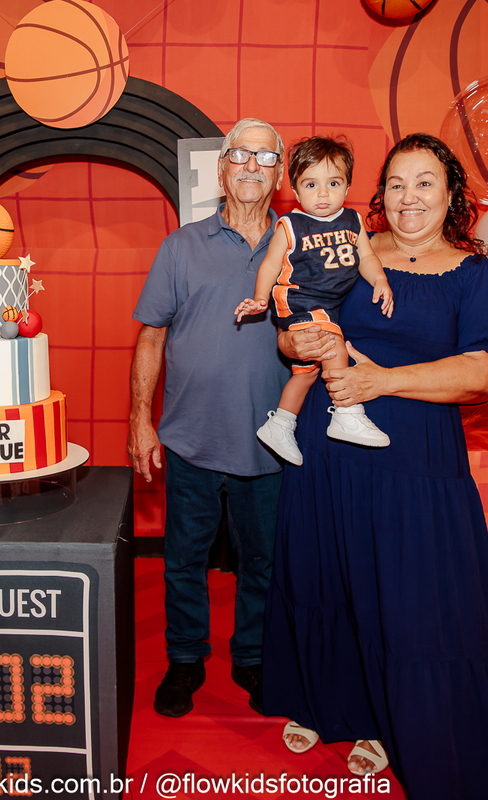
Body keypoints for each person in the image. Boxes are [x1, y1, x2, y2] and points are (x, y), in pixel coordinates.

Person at [261, 133, 488, 798]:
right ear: (380, 194)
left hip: (416, 460)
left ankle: (390, 720)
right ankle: (324, 699)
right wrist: (294, 341)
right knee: (324, 574)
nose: (409, 197)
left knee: (411, 599)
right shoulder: (348, 245)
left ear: (451, 194)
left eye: (424, 182)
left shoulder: (475, 274)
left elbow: (483, 374)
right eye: (396, 183)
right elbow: (294, 323)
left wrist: (383, 381)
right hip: (328, 445)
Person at [129, 118, 290, 718]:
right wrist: (140, 420)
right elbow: (151, 337)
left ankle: (252, 657)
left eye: (265, 157)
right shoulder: (181, 246)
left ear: (279, 174)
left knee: (264, 564)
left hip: (272, 443)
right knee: (183, 561)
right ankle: (185, 658)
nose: (251, 166)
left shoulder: (299, 247)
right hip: (190, 439)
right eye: (239, 155)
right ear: (221, 169)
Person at [235, 135, 393, 466]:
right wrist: (260, 298)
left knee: (306, 373)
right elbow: (270, 265)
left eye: (333, 183)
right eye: (311, 184)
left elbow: (366, 257)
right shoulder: (291, 225)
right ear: (295, 190)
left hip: (328, 307)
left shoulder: (352, 221)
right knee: (332, 345)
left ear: (347, 188)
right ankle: (346, 413)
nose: (322, 193)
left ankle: (280, 424)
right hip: (298, 300)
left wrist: (380, 280)